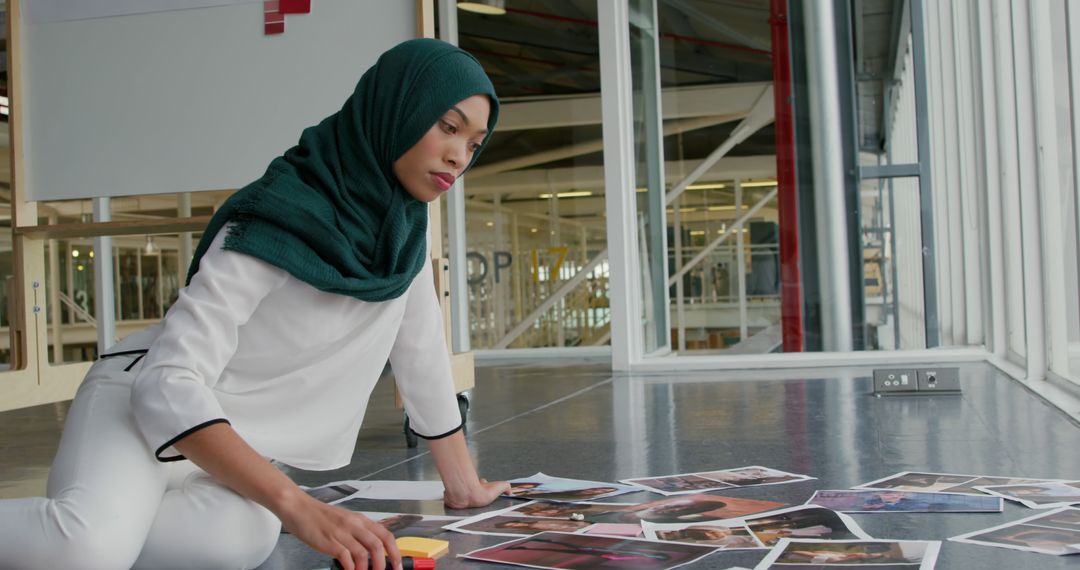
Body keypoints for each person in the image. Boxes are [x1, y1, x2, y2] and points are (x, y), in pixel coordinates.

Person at [0, 38, 508, 570]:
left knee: (232, 545)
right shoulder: (277, 216)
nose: (459, 156)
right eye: (448, 127)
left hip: (237, 452)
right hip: (141, 411)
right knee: (83, 548)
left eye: (474, 144)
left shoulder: (403, 231)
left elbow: (421, 353)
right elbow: (166, 380)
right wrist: (295, 504)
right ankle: (95, 535)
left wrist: (464, 486)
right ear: (394, 111)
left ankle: (111, 532)